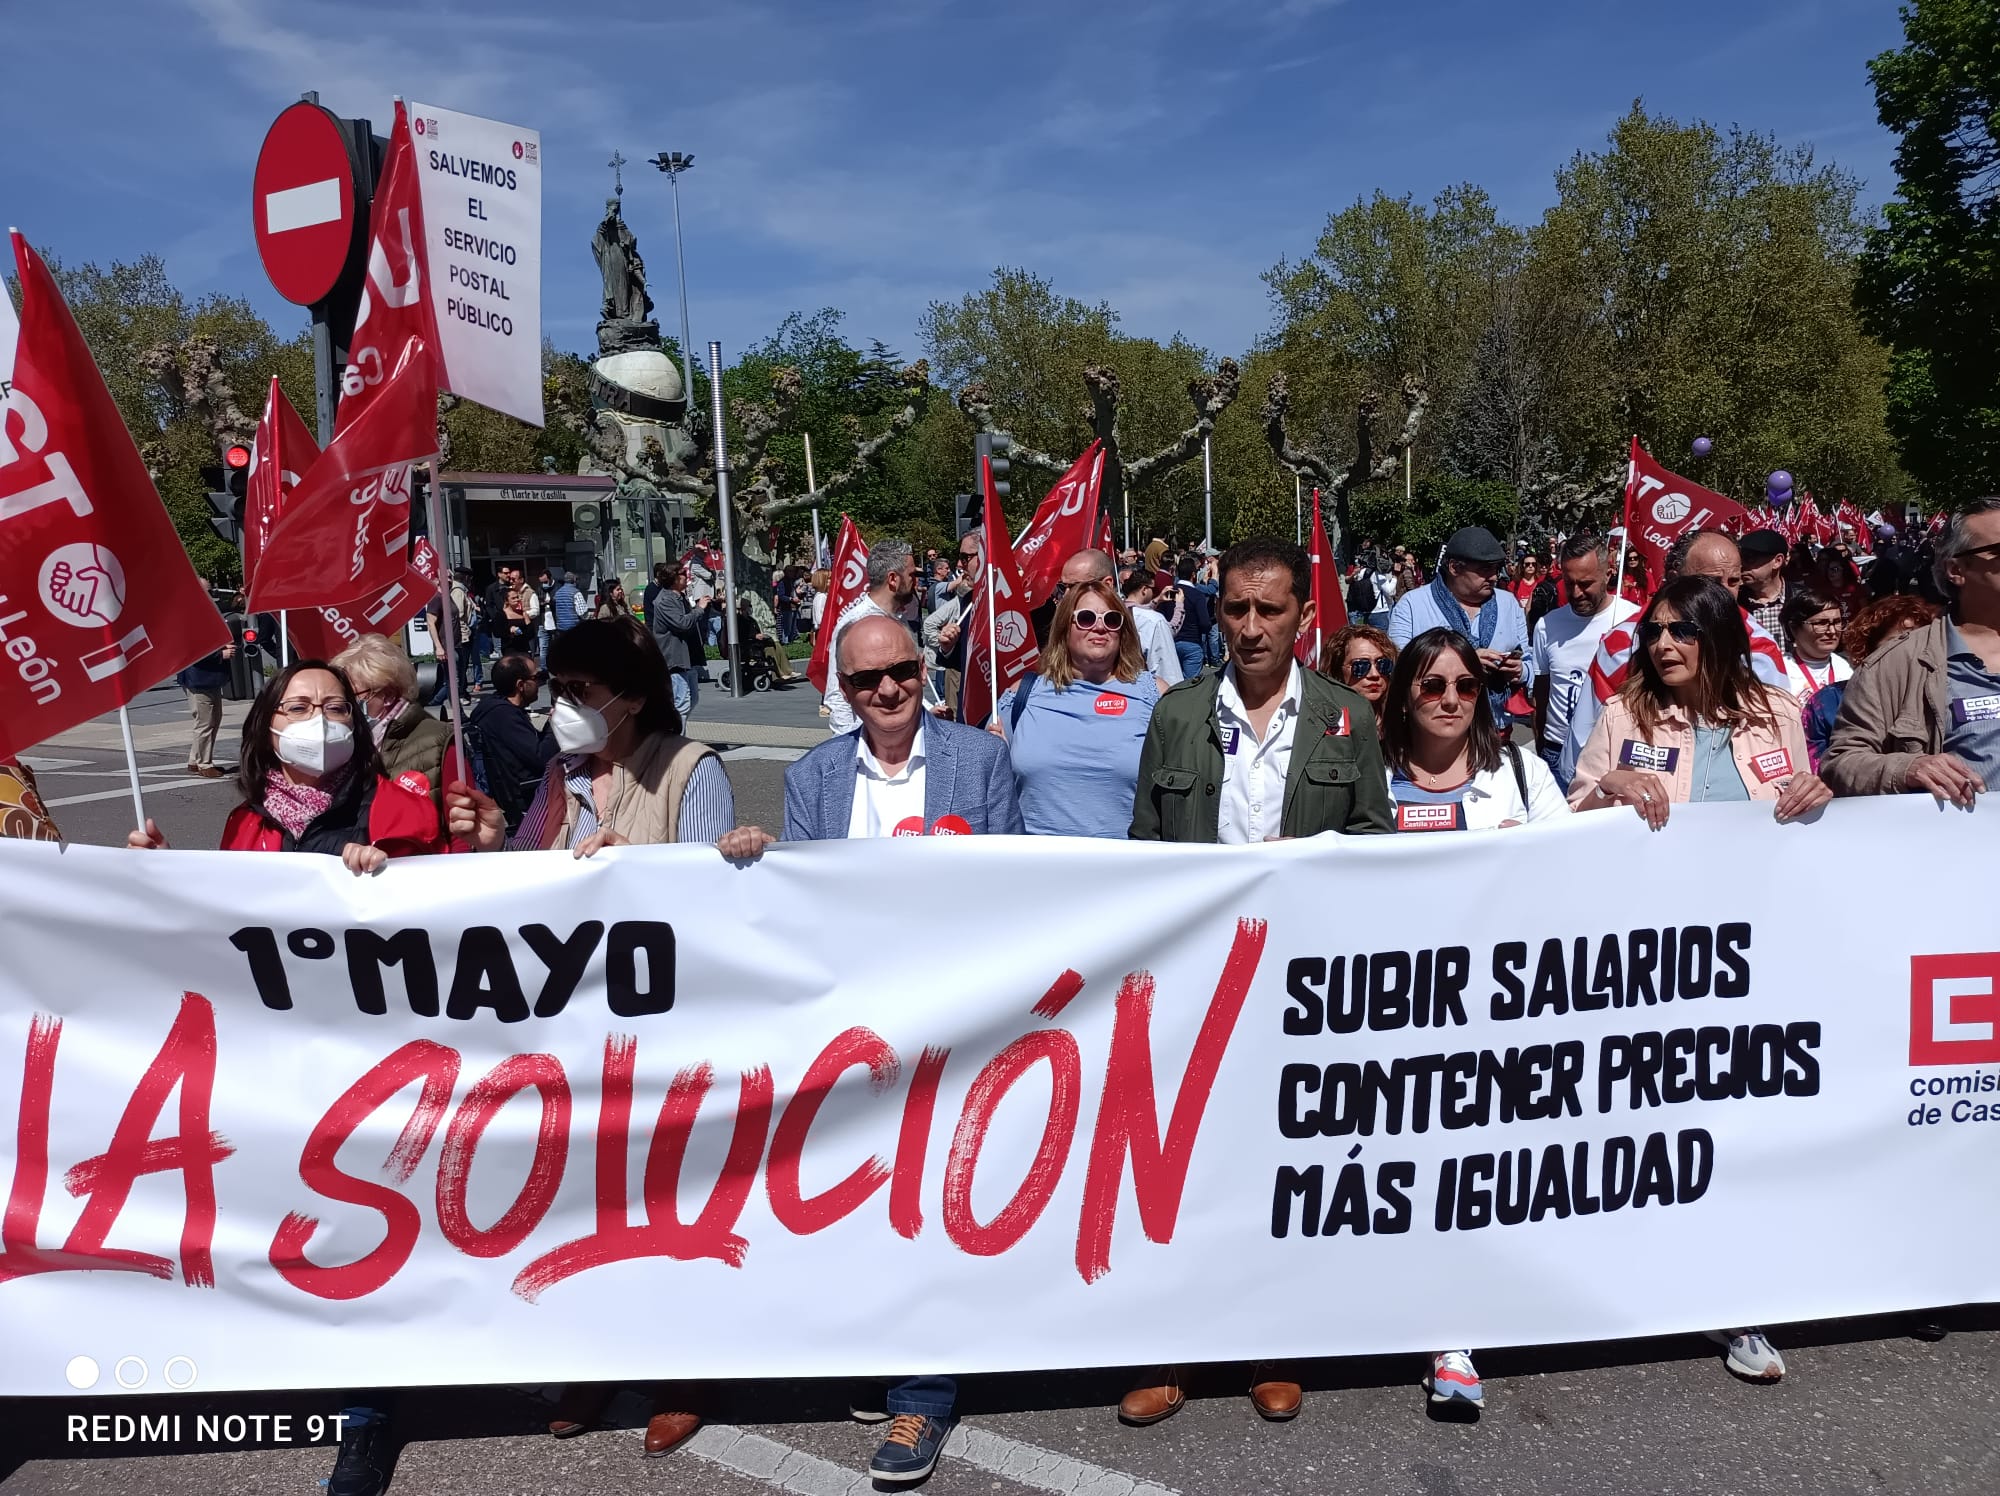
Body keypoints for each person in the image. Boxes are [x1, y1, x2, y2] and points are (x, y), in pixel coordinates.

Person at [714, 611, 1018, 1486]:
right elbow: (804, 902)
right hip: (853, 1031)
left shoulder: (981, 761)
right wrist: (751, 858)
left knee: (929, 1204)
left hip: (955, 1025)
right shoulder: (811, 776)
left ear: (926, 669)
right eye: (864, 680)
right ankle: (881, 1351)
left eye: (903, 672)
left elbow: (1020, 891)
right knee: (861, 1201)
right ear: (840, 692)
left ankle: (923, 1396)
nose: (888, 691)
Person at [1122, 539, 1391, 1428]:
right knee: (1185, 1167)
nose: (1249, 627)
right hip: (1199, 984)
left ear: (1300, 618)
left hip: (1300, 989)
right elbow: (1144, 853)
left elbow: (1374, 846)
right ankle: (1175, 1349)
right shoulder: (1177, 715)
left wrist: (1309, 863)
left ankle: (1273, 1344)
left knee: (1279, 1169)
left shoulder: (1348, 719)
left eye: (1268, 610)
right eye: (1235, 608)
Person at [1375, 627, 1566, 1411]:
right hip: (1391, 1008)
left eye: (1464, 686)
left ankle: (1452, 1336)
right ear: (1405, 695)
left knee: (1470, 1172)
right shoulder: (1369, 777)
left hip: (1498, 1009)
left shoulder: (1521, 770)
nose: (1451, 699)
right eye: (1431, 685)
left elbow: (1581, 872)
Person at [447, 617, 734, 858]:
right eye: (558, 689)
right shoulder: (560, 770)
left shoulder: (691, 768)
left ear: (634, 697)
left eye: (579, 689)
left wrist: (636, 867)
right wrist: (496, 843)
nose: (563, 704)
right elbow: (530, 868)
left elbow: (705, 889)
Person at [128, 661, 448, 871]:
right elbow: (226, 917)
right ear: (267, 726)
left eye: (336, 708)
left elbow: (445, 902)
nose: (320, 720)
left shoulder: (403, 808)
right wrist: (166, 871)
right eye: (298, 707)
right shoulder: (244, 823)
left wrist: (393, 873)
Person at [1823, 498, 2000, 808]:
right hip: (1960, 847)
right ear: (1956, 570)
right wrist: (1909, 768)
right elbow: (1841, 763)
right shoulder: (1896, 663)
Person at [991, 578, 1158, 837]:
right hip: (1037, 867)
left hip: (1127, 868)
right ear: (1064, 627)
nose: (1100, 627)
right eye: (1087, 618)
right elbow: (990, 786)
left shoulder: (1155, 695)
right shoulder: (1021, 696)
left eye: (1112, 620)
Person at [1387, 527, 1530, 733]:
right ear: (1454, 567)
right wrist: (1463, 661)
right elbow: (1398, 665)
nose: (1493, 577)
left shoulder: (1509, 603)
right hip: (1434, 732)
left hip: (1496, 727)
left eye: (1496, 569)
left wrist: (1520, 670)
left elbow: (1528, 659)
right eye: (1484, 570)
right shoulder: (1412, 605)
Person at [1530, 535, 1640, 787]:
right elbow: (1542, 692)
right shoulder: (1548, 625)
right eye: (1569, 584)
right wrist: (1542, 746)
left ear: (1608, 574)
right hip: (1556, 751)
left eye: (1586, 583)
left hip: (1613, 751)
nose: (1577, 593)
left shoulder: (1633, 621)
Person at [1801, 595, 1940, 770]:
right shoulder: (1826, 702)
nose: (1908, 654)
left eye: (1918, 644)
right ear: (1868, 649)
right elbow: (1817, 772)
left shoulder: (1943, 693)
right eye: (1898, 643)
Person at [331, 635, 455, 809]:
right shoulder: (342, 739)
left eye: (352, 696)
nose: (344, 704)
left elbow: (462, 829)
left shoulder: (439, 741)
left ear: (388, 695)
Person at [825, 537, 926, 734]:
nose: (916, 582)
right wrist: (849, 747)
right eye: (912, 575)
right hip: (866, 744)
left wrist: (929, 711)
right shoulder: (854, 625)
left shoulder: (899, 618)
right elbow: (837, 695)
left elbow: (904, 681)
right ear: (893, 579)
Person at [464, 653, 556, 834]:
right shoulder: (504, 717)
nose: (539, 683)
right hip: (529, 793)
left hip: (514, 790)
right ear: (521, 685)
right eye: (537, 678)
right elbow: (542, 757)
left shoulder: (493, 708)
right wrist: (555, 724)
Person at [649, 562, 709, 723]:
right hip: (674, 658)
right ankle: (675, 742)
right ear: (674, 578)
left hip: (688, 658)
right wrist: (699, 609)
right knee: (681, 702)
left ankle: (675, 735)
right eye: (682, 573)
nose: (686, 576)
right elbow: (681, 623)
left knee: (691, 700)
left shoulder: (679, 596)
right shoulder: (665, 600)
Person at [177, 630, 236, 778]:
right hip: (199, 680)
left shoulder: (198, 623)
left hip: (208, 679)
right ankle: (204, 763)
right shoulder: (194, 626)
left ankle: (195, 760)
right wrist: (220, 654)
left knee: (212, 720)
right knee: (205, 722)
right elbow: (194, 653)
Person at [1778, 587, 1853, 702]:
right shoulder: (1780, 672)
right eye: (1821, 623)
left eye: (1837, 622)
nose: (1832, 631)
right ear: (1794, 628)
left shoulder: (1849, 667)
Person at [1117, 567, 1186, 690]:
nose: (1155, 592)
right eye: (1153, 589)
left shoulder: (1115, 612)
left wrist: (1157, 600)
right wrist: (1179, 605)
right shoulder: (1154, 620)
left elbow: (1137, 608)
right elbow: (1171, 630)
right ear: (1144, 589)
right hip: (1146, 685)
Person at [1317, 624, 1398, 726]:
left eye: (1383, 664)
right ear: (1338, 670)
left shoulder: (1403, 718)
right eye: (1360, 666)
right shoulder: (1321, 722)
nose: (1374, 674)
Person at [1737, 529, 1790, 640]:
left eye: (1750, 559)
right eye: (1740, 559)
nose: (1742, 565)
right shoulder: (1732, 602)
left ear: (1777, 561)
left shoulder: (1802, 599)